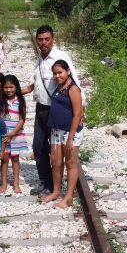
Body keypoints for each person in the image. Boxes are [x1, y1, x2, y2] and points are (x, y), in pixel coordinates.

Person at [21, 25, 83, 195]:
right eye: (40, 40)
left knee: (59, 153)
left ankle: (57, 187)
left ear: (53, 39)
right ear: (37, 41)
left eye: (47, 39)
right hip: (41, 109)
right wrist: (19, 91)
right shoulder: (40, 58)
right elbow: (40, 83)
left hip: (56, 110)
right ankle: (46, 181)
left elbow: (75, 83)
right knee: (39, 147)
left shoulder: (61, 57)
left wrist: (80, 111)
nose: (44, 43)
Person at [42, 60, 84, 209]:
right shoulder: (59, 86)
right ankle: (56, 191)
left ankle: (68, 197)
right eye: (55, 73)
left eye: (60, 72)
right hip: (56, 130)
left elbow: (78, 113)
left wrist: (71, 138)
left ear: (68, 71)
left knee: (71, 163)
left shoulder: (73, 89)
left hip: (69, 131)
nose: (57, 75)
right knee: (56, 161)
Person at [0, 75, 29, 194]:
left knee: (15, 159)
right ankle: (4, 183)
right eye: (6, 87)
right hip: (4, 136)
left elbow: (22, 119)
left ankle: (16, 183)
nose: (8, 90)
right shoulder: (1, 101)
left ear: (16, 87)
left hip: (16, 135)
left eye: (11, 87)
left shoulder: (20, 100)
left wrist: (13, 133)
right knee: (4, 159)